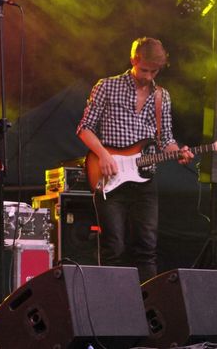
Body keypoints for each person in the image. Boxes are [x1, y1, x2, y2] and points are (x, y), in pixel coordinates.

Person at [77, 37, 194, 283]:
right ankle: (112, 299)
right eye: (144, 70)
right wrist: (103, 154)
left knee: (147, 247)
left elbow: (165, 139)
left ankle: (147, 301)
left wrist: (178, 152)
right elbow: (84, 128)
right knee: (114, 247)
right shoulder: (107, 86)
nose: (148, 76)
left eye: (154, 72)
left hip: (145, 180)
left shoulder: (162, 96)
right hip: (110, 177)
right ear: (133, 60)